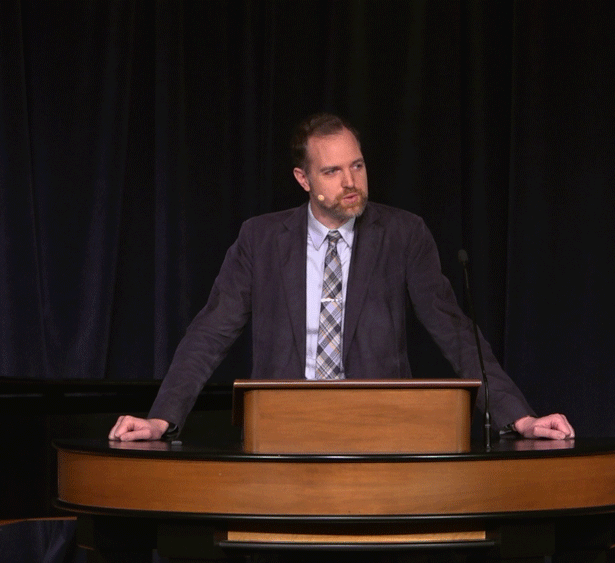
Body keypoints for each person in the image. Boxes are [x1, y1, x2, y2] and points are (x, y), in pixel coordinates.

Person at [110, 113, 573, 442]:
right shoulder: (261, 240)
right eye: (332, 171)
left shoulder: (403, 234)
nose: (350, 181)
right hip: (283, 433)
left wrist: (520, 418)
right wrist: (161, 420)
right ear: (303, 178)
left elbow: (454, 332)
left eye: (357, 165)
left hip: (381, 432)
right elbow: (209, 334)